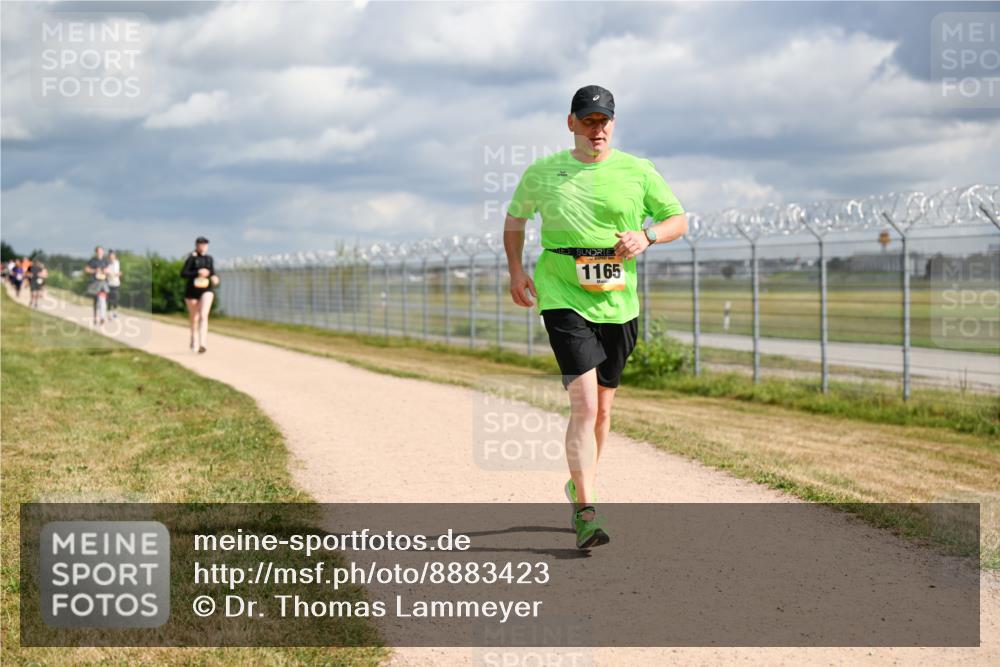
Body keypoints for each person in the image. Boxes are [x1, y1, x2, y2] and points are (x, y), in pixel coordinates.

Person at [504, 85, 688, 549]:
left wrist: (647, 237)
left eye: (604, 120)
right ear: (571, 124)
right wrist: (516, 270)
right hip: (562, 291)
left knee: (604, 408)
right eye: (587, 120)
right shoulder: (543, 172)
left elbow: (677, 219)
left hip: (618, 300)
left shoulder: (638, 170)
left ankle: (579, 482)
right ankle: (587, 509)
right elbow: (514, 220)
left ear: (613, 123)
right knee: (584, 404)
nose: (597, 128)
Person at [180, 236, 219, 353]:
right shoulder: (191, 258)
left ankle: (203, 342)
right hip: (192, 291)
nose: (203, 247)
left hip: (206, 289)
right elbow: (183, 273)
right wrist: (197, 272)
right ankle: (194, 338)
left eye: (205, 245)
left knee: (203, 315)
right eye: (201, 244)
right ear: (197, 245)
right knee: (194, 317)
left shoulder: (209, 259)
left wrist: (213, 276)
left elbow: (212, 272)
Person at [83, 246, 110, 326]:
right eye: (98, 251)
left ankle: (102, 318)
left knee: (102, 300)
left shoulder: (106, 261)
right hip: (95, 283)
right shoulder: (92, 261)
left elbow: (109, 270)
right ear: (96, 252)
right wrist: (94, 270)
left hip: (103, 283)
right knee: (96, 301)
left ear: (103, 252)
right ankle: (95, 317)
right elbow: (86, 269)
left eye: (101, 251)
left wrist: (106, 271)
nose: (100, 253)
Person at [106, 250, 122, 319]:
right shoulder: (107, 263)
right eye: (110, 256)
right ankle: (109, 313)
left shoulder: (117, 263)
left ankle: (115, 311)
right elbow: (105, 271)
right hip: (109, 283)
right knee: (109, 299)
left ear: (115, 256)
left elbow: (119, 272)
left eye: (113, 255)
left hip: (116, 283)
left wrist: (119, 274)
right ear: (109, 256)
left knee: (116, 298)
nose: (111, 257)